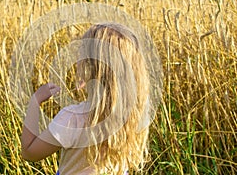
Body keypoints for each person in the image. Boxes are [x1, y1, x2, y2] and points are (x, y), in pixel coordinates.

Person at [21, 23, 154, 174]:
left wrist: (35, 101)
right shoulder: (135, 116)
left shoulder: (73, 119)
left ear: (89, 67)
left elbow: (29, 152)